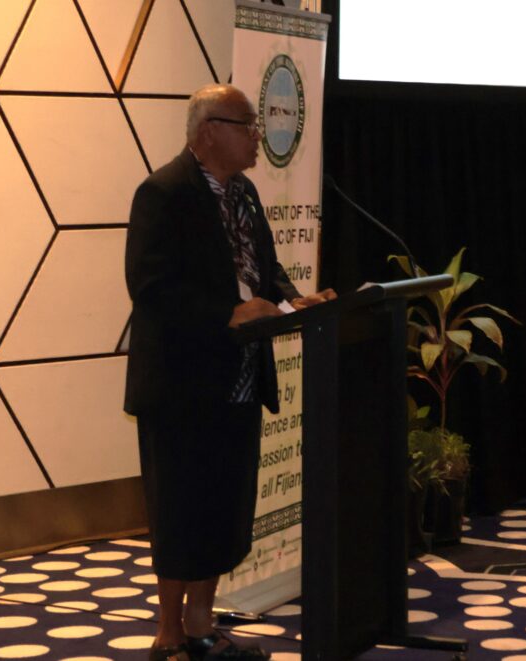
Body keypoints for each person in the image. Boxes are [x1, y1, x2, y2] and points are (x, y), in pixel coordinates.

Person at [124, 83, 336, 661]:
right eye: (248, 125)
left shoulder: (244, 193)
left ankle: (201, 626)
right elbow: (149, 288)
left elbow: (263, 270)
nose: (258, 138)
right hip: (180, 384)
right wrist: (226, 313)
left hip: (239, 376)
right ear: (210, 131)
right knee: (180, 510)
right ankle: (168, 634)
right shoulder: (163, 192)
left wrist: (294, 301)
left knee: (223, 509)